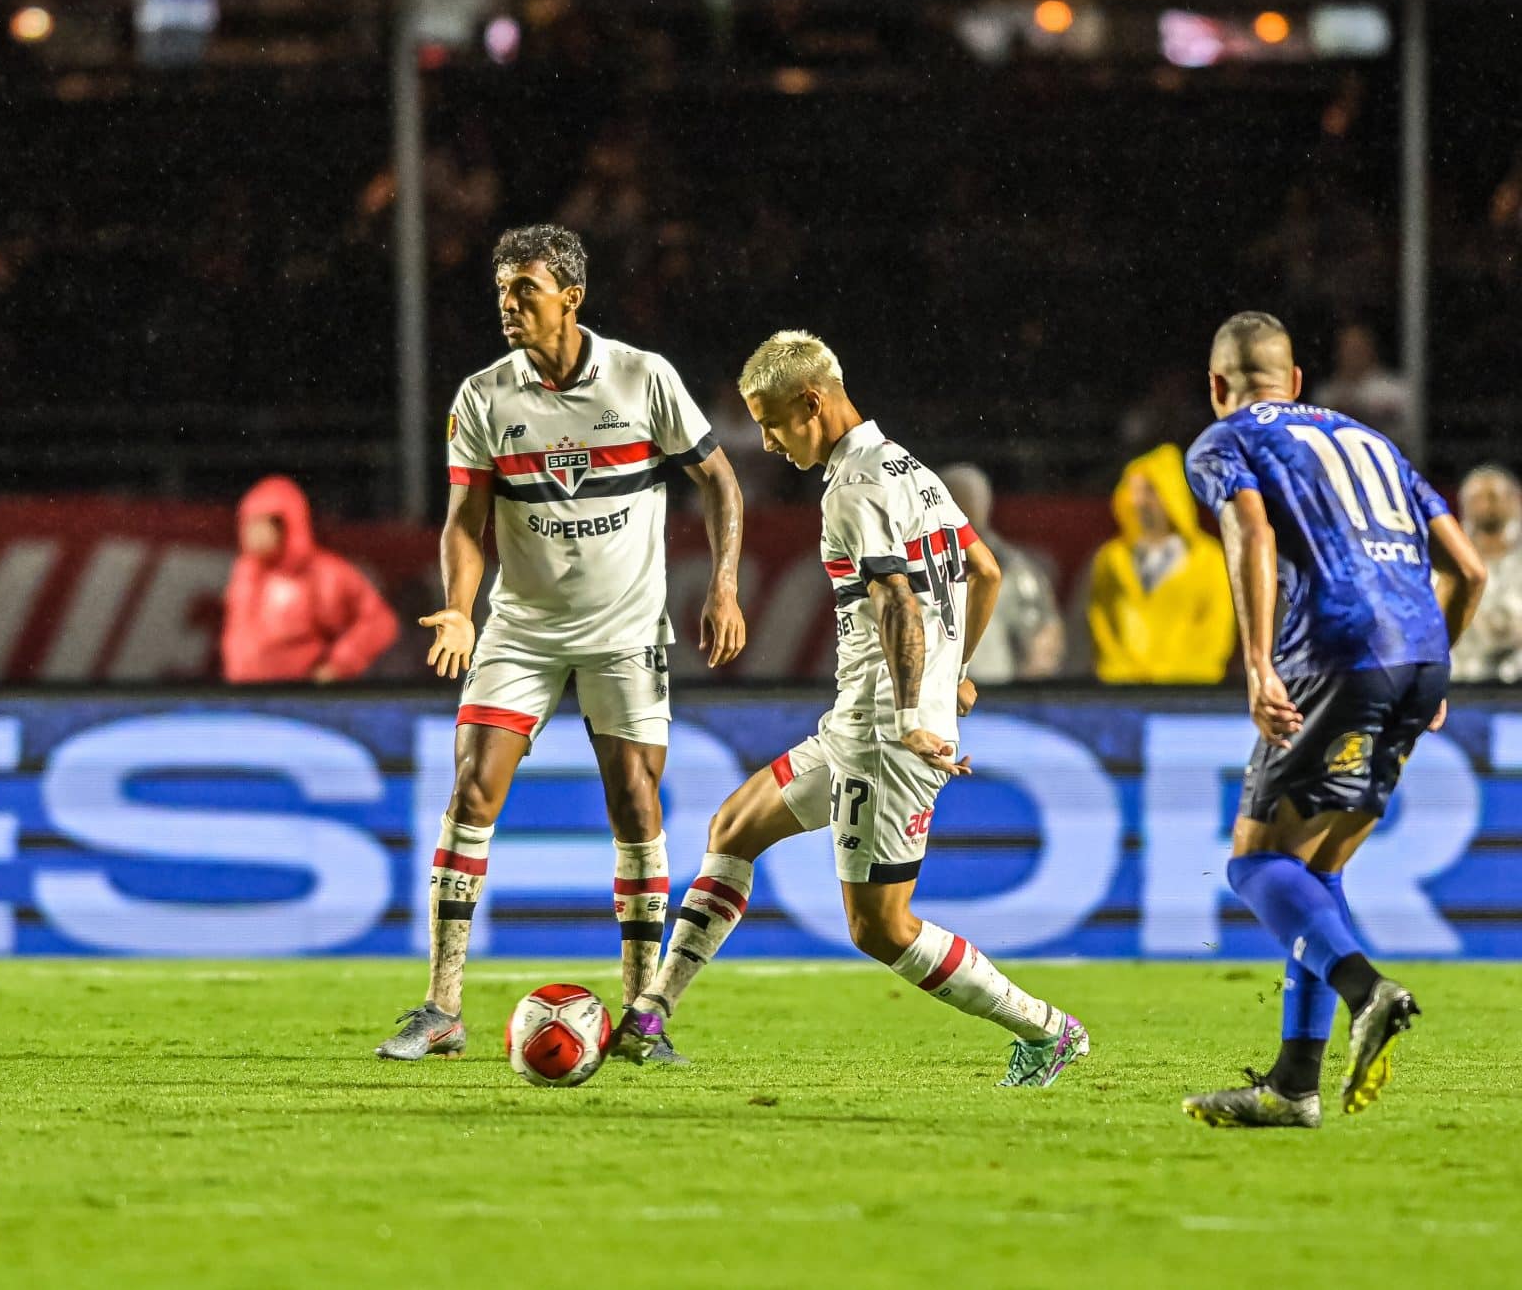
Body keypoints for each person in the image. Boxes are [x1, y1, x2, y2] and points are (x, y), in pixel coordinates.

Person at [611, 331, 1089, 1089]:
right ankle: (650, 1013)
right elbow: (984, 568)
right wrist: (955, 672)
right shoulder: (908, 467)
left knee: (881, 927)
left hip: (886, 736)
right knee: (733, 826)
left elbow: (897, 597)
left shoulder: (854, 488)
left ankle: (1048, 1029)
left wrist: (911, 715)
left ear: (812, 402)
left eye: (770, 422)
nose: (766, 441)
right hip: (862, 721)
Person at [375, 224, 745, 1065]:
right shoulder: (482, 397)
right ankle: (441, 1007)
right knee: (472, 788)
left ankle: (643, 1014)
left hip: (624, 631)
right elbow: (465, 519)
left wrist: (723, 586)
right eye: (502, 290)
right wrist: (460, 609)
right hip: (523, 628)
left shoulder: (643, 379)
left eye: (525, 290)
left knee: (637, 806)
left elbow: (718, 479)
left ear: (571, 297)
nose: (508, 305)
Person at [1179, 311, 1484, 1129]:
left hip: (1335, 652)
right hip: (1417, 655)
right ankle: (1293, 1086)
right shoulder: (1375, 442)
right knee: (1318, 873)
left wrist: (1256, 662)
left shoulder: (1226, 439)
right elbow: (1469, 565)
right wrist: (1430, 661)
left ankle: (1367, 991)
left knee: (1253, 865)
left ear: (1217, 386)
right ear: (1299, 382)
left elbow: (1248, 530)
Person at [220, 474, 399, 685]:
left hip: (298, 700)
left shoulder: (322, 573)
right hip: (243, 699)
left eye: (261, 522)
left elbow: (379, 622)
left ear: (286, 524)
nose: (251, 532)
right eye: (248, 522)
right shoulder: (245, 573)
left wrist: (338, 665)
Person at [1086, 443, 1235, 683]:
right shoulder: (1111, 558)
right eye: (1132, 490)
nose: (1137, 501)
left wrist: (1186, 672)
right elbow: (1101, 623)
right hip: (1121, 688)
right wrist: (1116, 669)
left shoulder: (1209, 558)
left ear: (1170, 494)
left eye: (1148, 490)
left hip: (1188, 690)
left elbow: (1216, 629)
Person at [940, 463, 1064, 683]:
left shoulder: (1013, 568)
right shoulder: (916, 562)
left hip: (997, 692)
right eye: (957, 499)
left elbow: (1043, 638)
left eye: (974, 500)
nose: (968, 507)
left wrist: (1023, 694)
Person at [1450, 465, 1522, 683]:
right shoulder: (1446, 563)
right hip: (1462, 684)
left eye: (1494, 496)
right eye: (1476, 498)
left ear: (1515, 501)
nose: (1487, 505)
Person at [1311, 321, 1421, 461]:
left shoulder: (1394, 390)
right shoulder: (1326, 393)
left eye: (1357, 348)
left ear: (1371, 349)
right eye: (1347, 349)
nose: (1352, 355)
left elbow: (1408, 433)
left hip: (1386, 462)